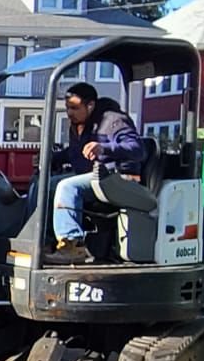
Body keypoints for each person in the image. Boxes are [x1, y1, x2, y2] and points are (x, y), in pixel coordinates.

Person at [49, 82, 145, 264]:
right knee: (46, 185)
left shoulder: (113, 120)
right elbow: (75, 153)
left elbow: (137, 149)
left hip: (118, 178)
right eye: (68, 108)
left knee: (67, 186)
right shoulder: (78, 125)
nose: (70, 113)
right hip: (92, 177)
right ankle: (45, 241)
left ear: (90, 105)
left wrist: (104, 148)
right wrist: (52, 158)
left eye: (75, 108)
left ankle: (72, 245)